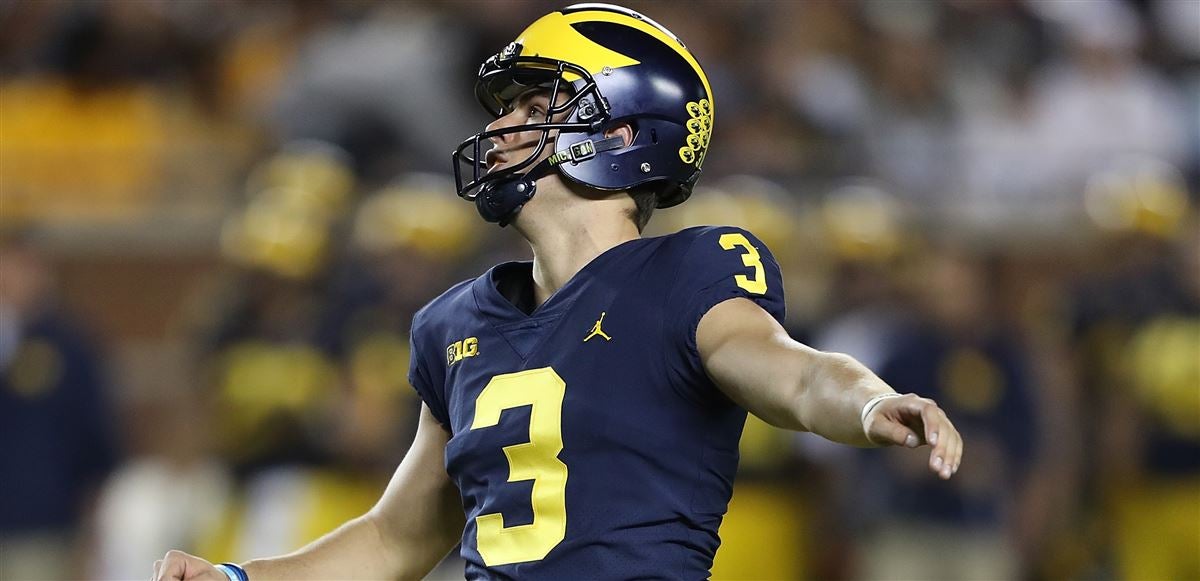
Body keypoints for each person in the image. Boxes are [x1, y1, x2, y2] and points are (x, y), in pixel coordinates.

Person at [155, 5, 962, 580]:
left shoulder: (691, 272)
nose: (503, 128)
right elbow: (395, 540)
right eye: (505, 108)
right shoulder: (454, 323)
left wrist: (865, 402)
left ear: (622, 130)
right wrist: (238, 577)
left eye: (537, 105)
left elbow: (791, 370)